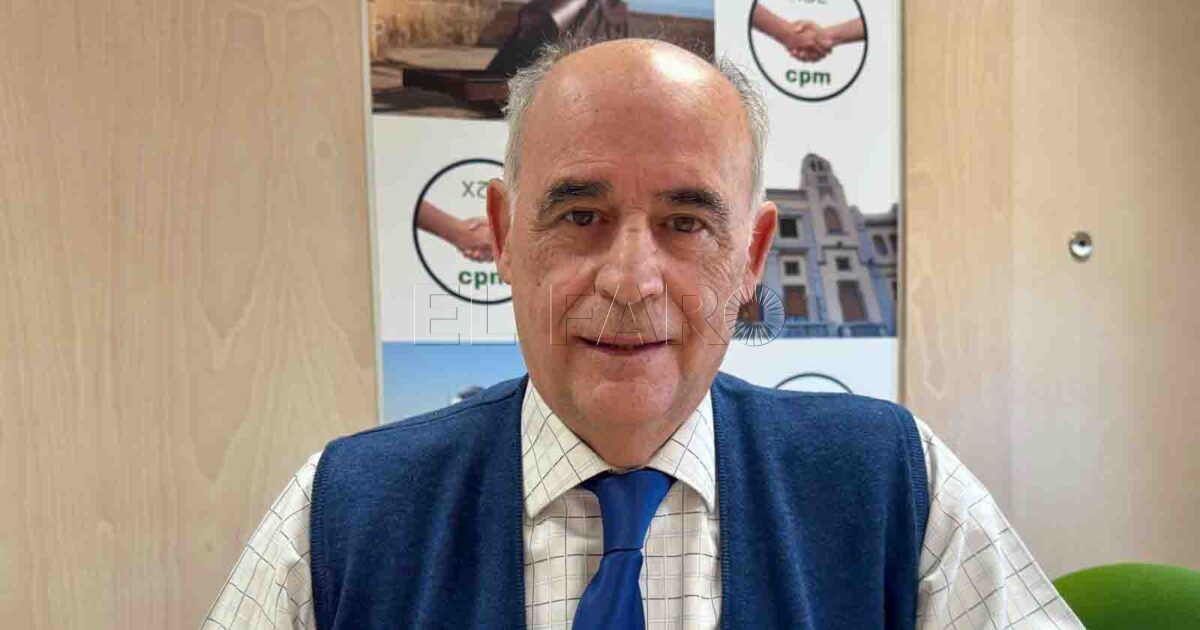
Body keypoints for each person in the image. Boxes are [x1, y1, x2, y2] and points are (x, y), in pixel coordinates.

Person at [203, 39, 1081, 629]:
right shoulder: (340, 514)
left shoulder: (897, 486)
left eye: (686, 223)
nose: (630, 280)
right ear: (503, 236)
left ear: (752, 257)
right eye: (580, 215)